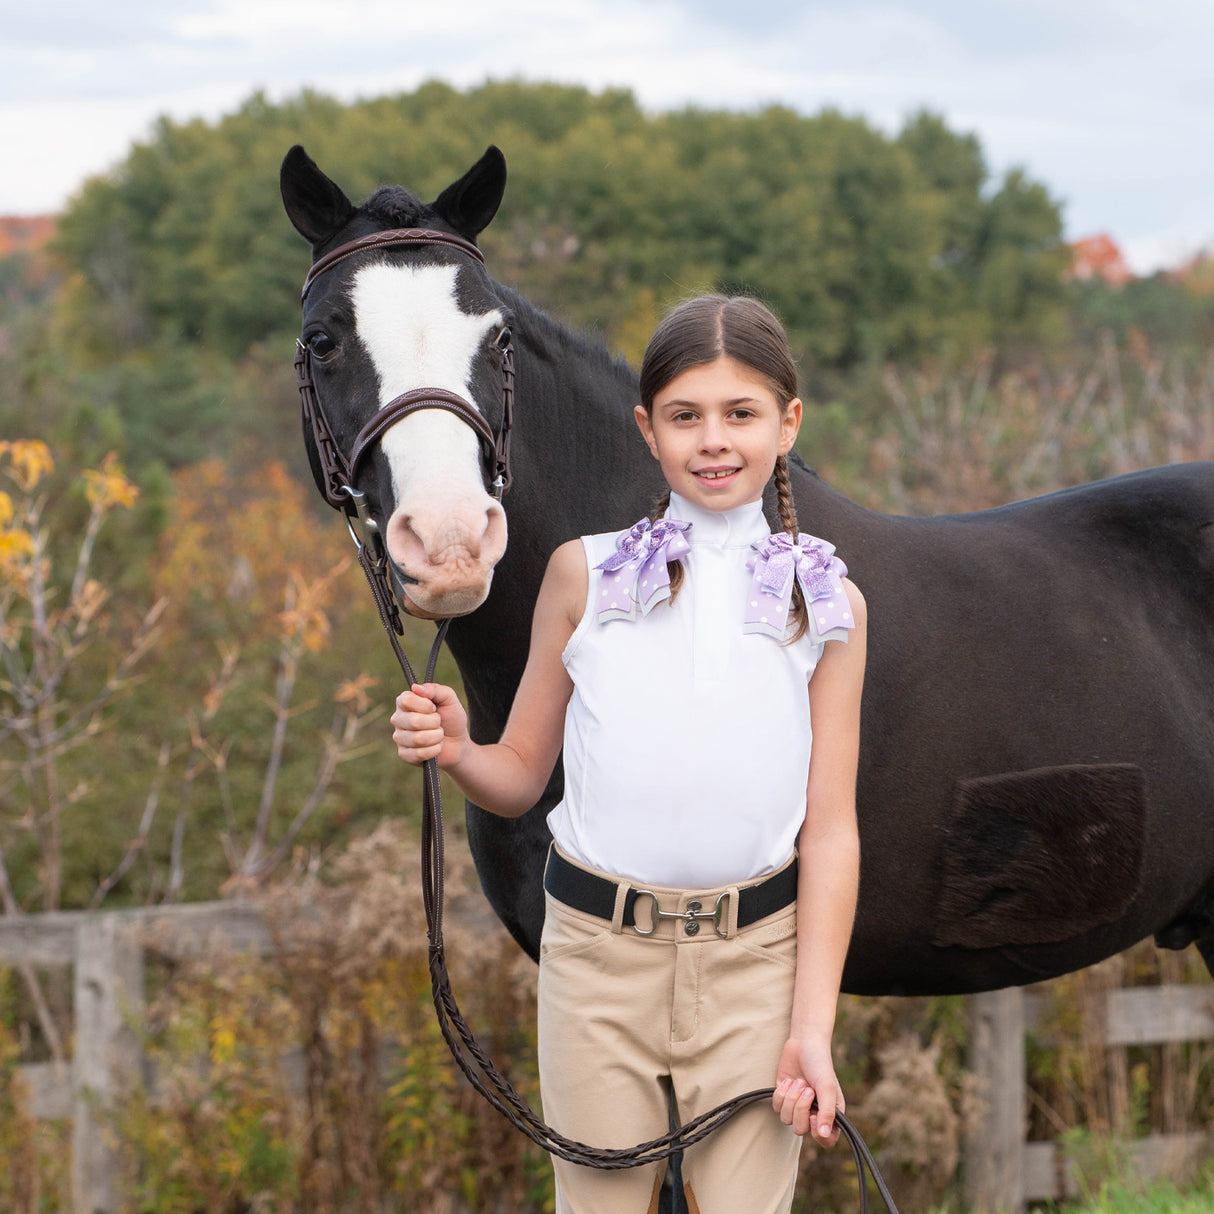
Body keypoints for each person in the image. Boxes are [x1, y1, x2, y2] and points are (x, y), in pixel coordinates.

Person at [391, 294, 866, 1214]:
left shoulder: (828, 601)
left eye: (742, 413)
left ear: (788, 422)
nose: (713, 440)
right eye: (685, 416)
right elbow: (521, 776)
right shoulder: (585, 574)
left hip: (755, 967)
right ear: (647, 429)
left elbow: (833, 832)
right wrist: (458, 750)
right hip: (597, 965)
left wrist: (812, 1027)